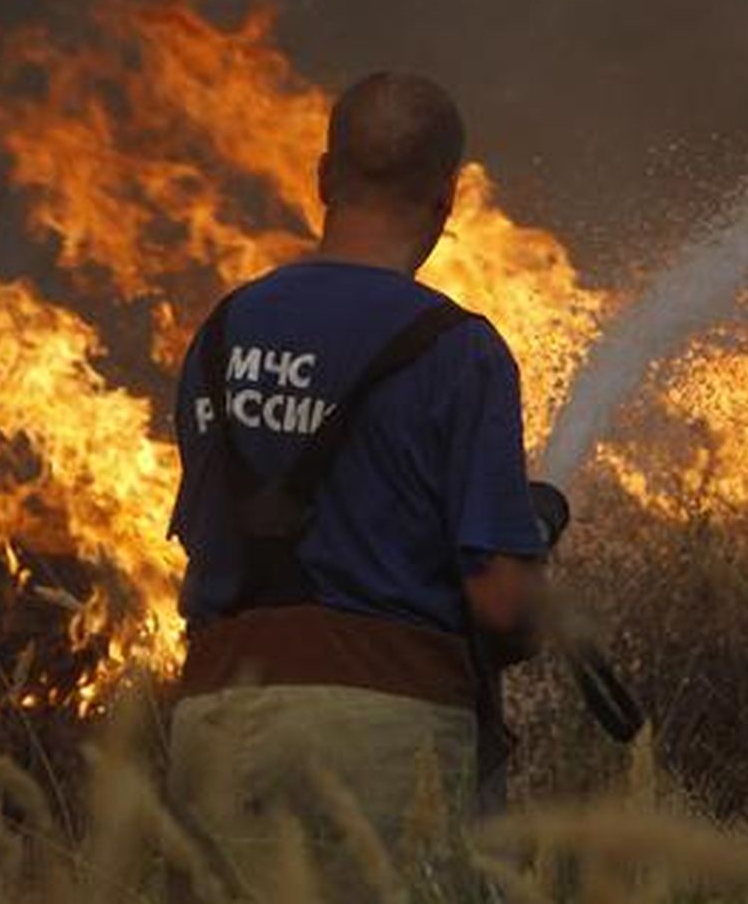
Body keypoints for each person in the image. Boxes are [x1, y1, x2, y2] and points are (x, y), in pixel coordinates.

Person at [165, 72, 548, 895]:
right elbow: (504, 608)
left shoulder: (221, 335)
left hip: (214, 727)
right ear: (448, 198)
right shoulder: (460, 351)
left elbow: (210, 540)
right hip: (382, 736)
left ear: (325, 177)